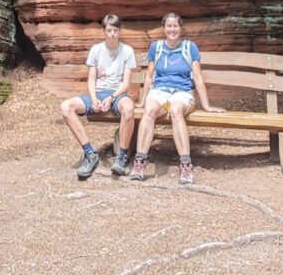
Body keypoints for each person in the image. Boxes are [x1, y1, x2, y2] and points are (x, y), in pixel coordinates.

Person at [129, 12, 224, 185]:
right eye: (169, 26)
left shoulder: (189, 47)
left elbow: (197, 76)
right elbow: (149, 77)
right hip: (160, 91)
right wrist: (143, 101)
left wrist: (207, 106)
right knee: (149, 111)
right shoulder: (156, 48)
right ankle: (140, 162)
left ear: (180, 28)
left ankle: (186, 165)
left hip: (183, 93)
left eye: (175, 26)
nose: (172, 29)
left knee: (175, 110)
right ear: (163, 28)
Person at [60, 14, 138, 179]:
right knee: (66, 107)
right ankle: (90, 154)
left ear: (120, 31)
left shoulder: (127, 51)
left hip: (118, 94)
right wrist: (94, 98)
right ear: (103, 30)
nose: (112, 34)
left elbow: (126, 84)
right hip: (98, 93)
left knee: (128, 108)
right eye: (109, 30)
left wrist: (111, 97)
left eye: (115, 30)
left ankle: (122, 157)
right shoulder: (96, 50)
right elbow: (91, 79)